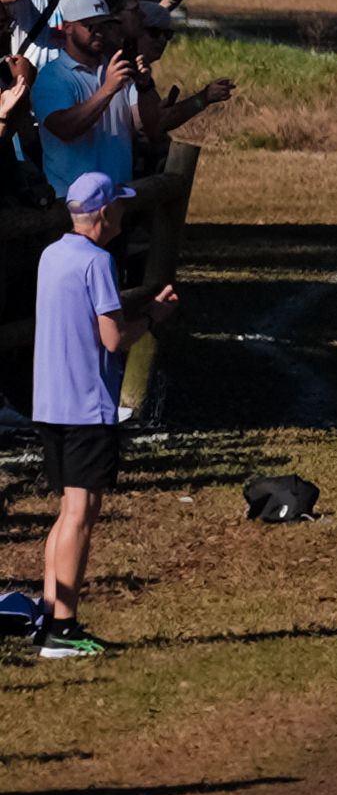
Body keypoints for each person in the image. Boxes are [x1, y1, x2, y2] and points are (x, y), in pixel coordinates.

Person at [31, 173, 165, 658]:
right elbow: (112, 339)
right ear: (104, 214)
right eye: (120, 209)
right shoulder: (98, 262)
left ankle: (48, 615)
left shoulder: (51, 256)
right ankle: (63, 628)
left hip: (50, 403)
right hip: (86, 405)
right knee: (81, 513)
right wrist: (152, 318)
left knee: (67, 511)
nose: (122, 217)